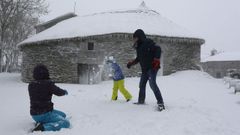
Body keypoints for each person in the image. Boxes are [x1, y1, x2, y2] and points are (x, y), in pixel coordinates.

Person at [127, 29, 165, 110]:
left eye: (135, 38)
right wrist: (131, 63)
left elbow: (158, 49)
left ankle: (160, 102)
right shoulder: (139, 47)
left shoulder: (148, 42)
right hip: (145, 70)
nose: (134, 39)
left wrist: (156, 60)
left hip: (152, 68)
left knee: (152, 84)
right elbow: (138, 59)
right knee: (142, 85)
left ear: (139, 37)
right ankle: (141, 101)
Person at [28, 64, 70, 132]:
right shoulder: (48, 84)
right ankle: (43, 128)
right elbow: (59, 92)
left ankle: (40, 122)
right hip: (45, 114)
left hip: (35, 115)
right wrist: (64, 92)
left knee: (63, 115)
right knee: (66, 123)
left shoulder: (31, 85)